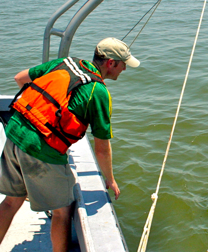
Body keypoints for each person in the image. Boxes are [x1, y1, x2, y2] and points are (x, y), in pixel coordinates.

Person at [0, 37, 139, 251]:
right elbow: (102, 148)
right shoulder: (98, 91)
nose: (124, 70)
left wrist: (42, 114)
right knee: (62, 211)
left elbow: (20, 78)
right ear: (111, 63)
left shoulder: (65, 63)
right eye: (123, 64)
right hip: (41, 149)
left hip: (15, 132)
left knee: (11, 201)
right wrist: (110, 180)